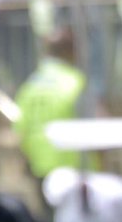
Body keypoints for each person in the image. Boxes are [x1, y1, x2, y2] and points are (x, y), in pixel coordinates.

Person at [15, 29, 96, 207]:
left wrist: (25, 160)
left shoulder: (30, 85)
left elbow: (20, 129)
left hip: (41, 166)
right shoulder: (76, 82)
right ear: (71, 51)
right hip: (76, 167)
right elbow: (96, 124)